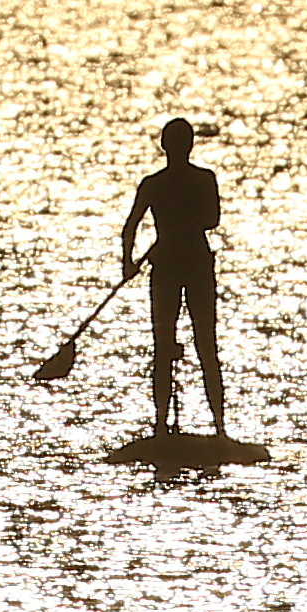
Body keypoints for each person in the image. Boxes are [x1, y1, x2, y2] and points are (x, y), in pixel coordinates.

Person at [119, 118, 226, 438]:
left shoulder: (155, 185)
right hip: (186, 265)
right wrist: (128, 262)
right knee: (192, 345)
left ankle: (172, 426)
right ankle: (206, 427)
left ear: (165, 146)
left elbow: (130, 229)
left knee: (179, 345)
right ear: (189, 145)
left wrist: (128, 262)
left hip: (174, 266)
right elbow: (211, 219)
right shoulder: (202, 180)